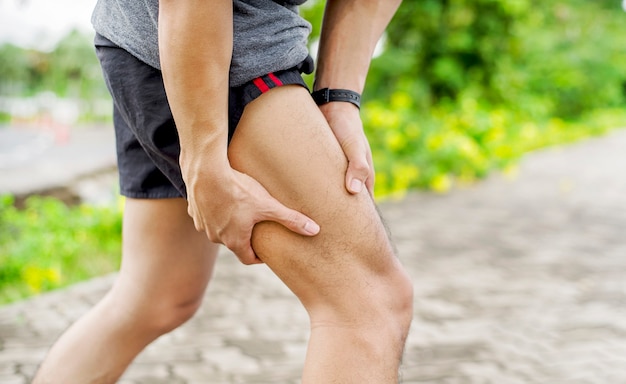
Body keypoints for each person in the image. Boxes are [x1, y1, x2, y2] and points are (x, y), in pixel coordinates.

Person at [33, 0, 413, 382]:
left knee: (158, 297)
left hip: (148, 35)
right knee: (369, 304)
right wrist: (203, 159)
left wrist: (339, 99)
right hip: (208, 33)